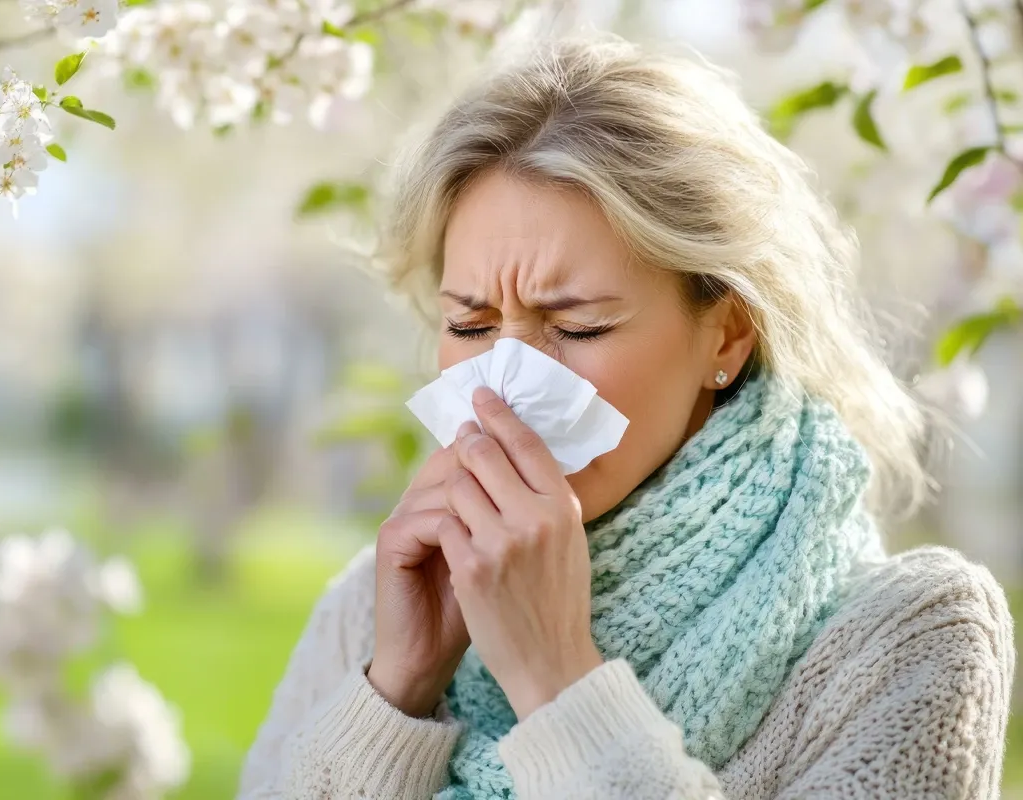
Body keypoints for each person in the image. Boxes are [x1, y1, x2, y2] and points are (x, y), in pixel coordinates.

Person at [238, 34, 1014, 799]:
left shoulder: (910, 638)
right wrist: (396, 691)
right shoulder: (373, 610)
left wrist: (556, 676)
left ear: (727, 334)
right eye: (471, 326)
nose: (505, 387)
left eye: (577, 328)